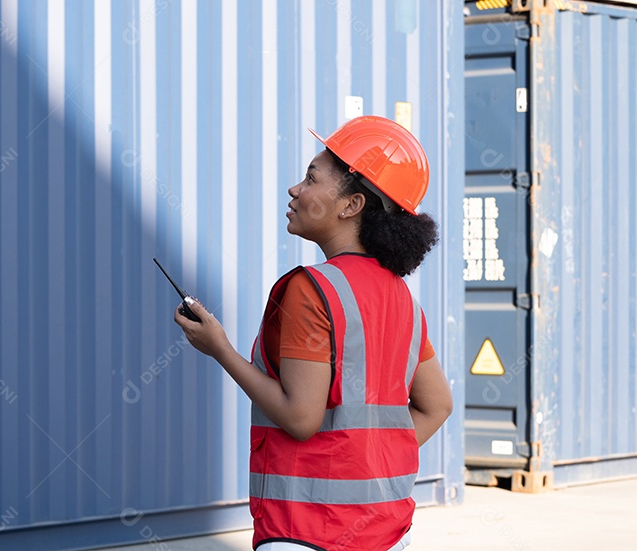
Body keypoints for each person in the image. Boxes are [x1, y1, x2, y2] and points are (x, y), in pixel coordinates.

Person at [173, 116, 453, 551]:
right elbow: (436, 406)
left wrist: (220, 349)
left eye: (310, 178)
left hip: (305, 533)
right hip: (389, 531)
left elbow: (301, 419)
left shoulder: (310, 289)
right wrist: (365, 463)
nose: (295, 190)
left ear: (350, 205)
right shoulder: (402, 299)